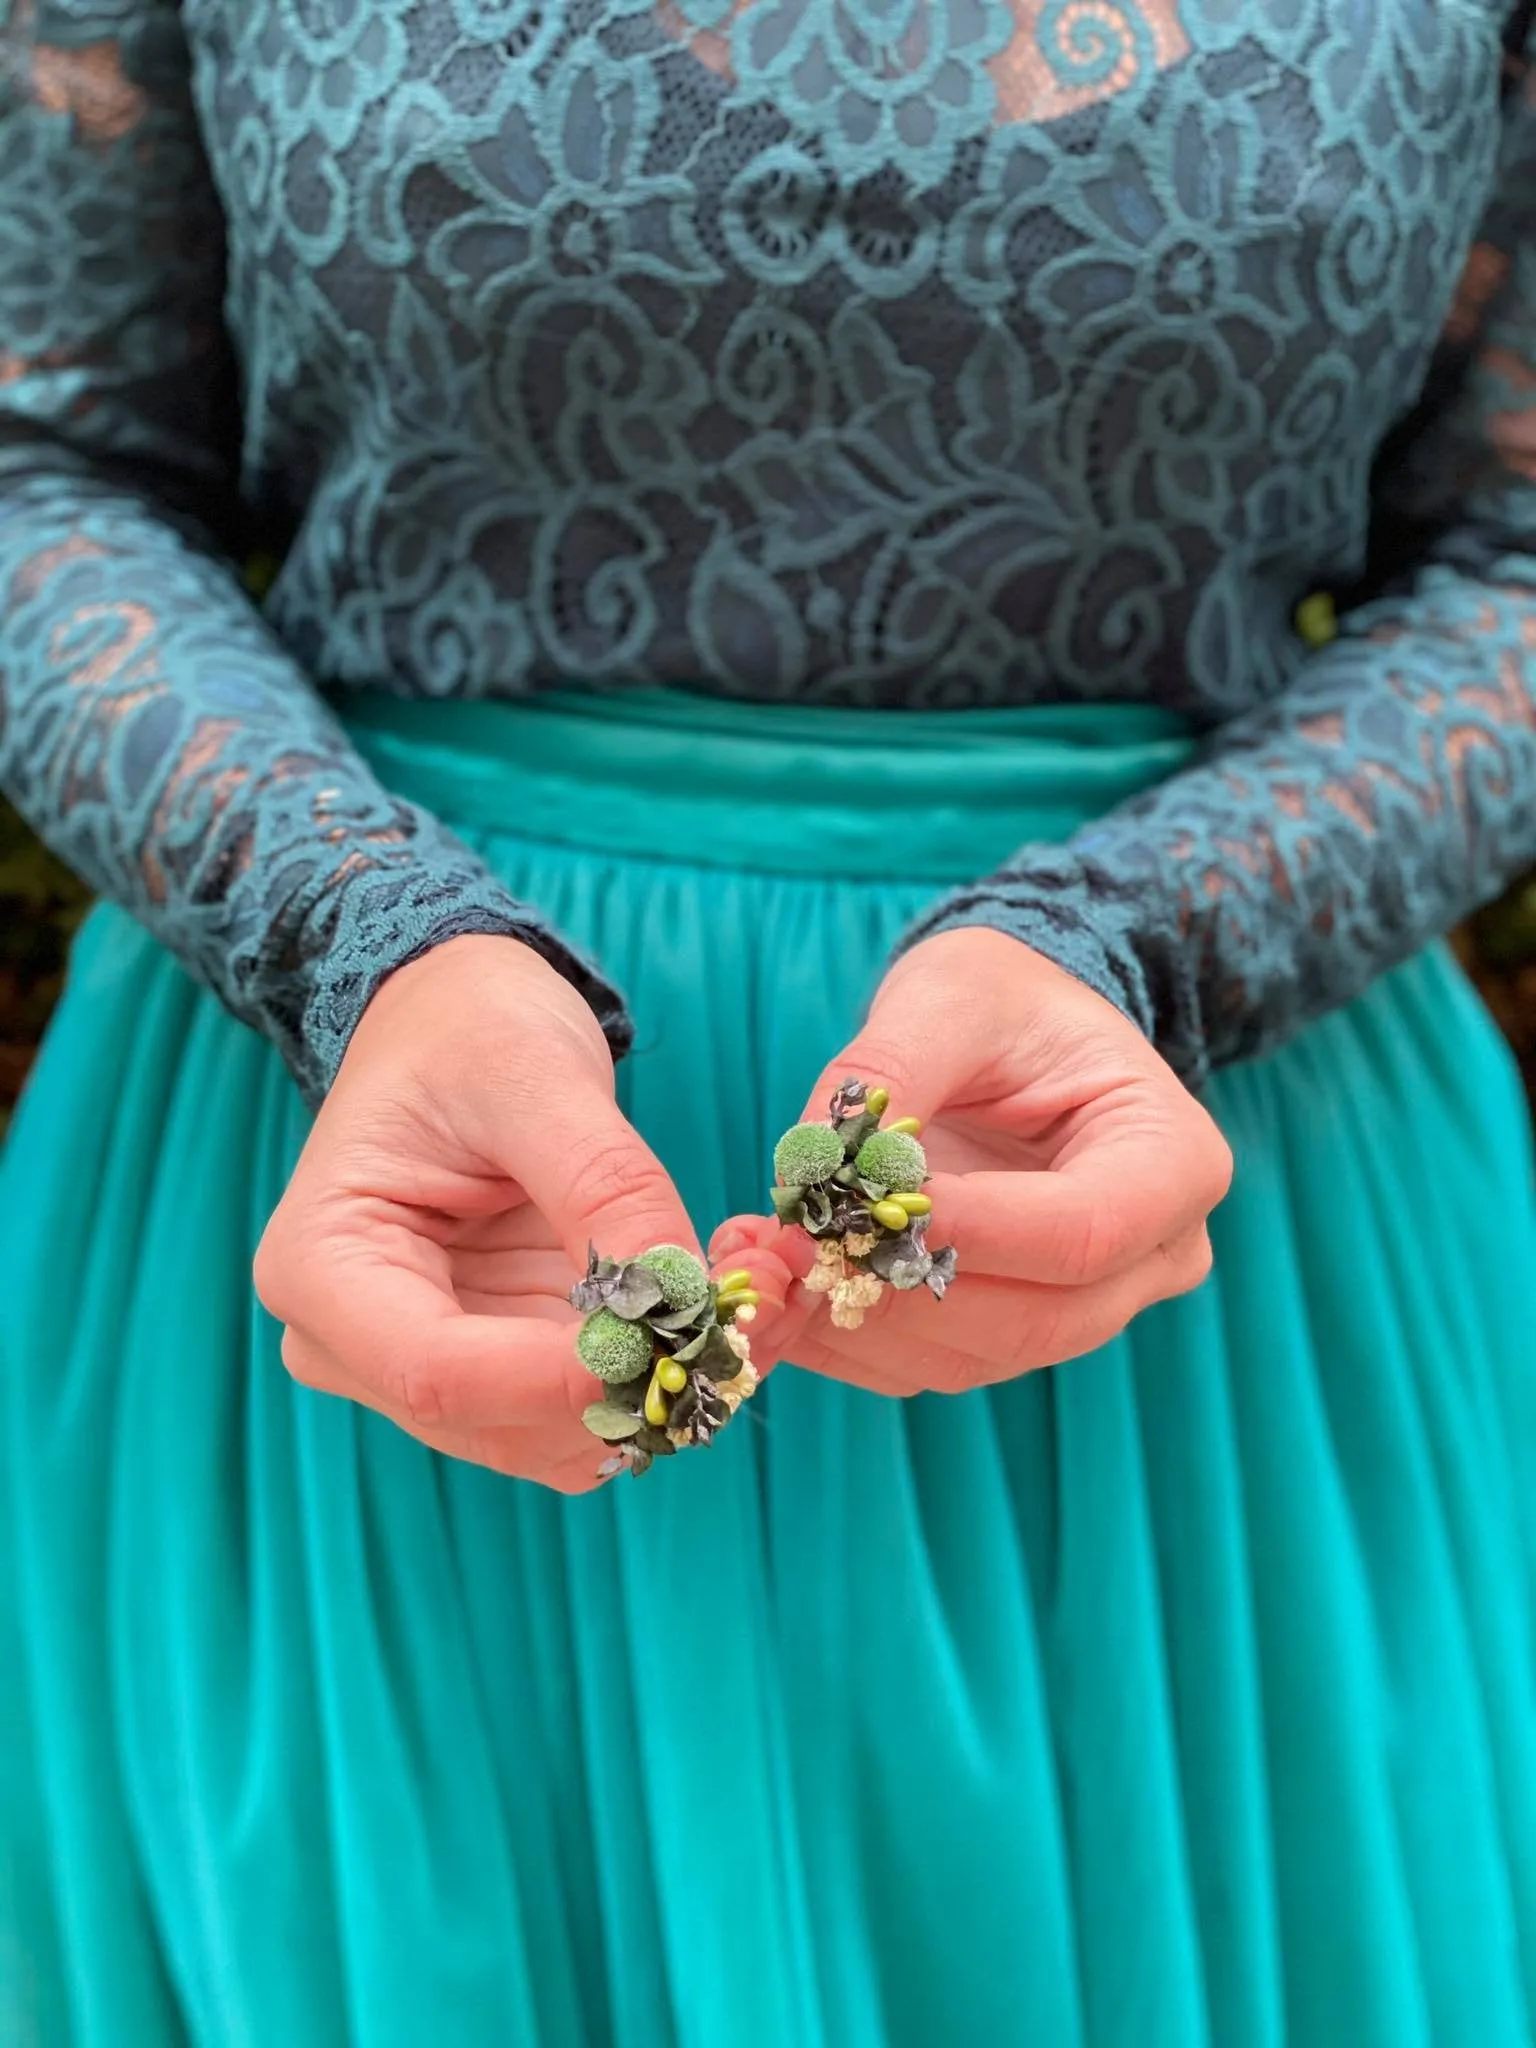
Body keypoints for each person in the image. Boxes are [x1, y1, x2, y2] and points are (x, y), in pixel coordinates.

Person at [2, 1, 1535, 2040]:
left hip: (1185, 1222)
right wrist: (353, 930)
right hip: (376, 1188)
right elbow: (52, 461)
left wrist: (1156, 940)